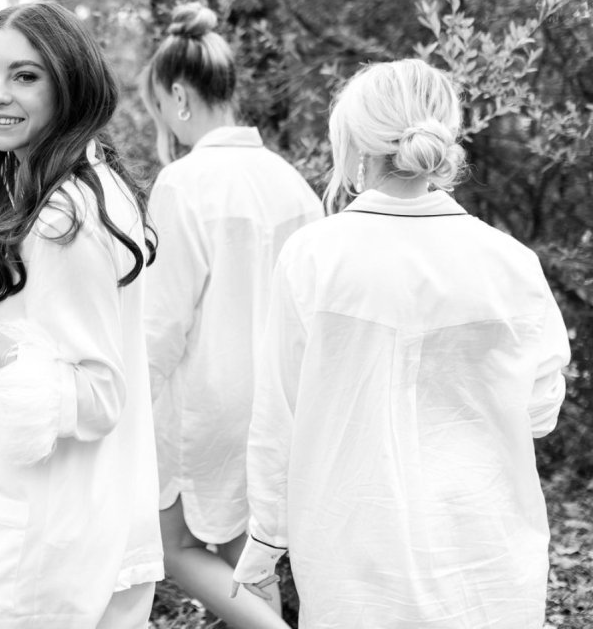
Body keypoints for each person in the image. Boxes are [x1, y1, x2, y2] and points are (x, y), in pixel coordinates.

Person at [232, 59, 570, 628]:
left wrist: (266, 543)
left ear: (356, 142)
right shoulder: (511, 263)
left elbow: (278, 419)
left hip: (356, 562)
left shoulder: (314, 258)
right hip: (488, 561)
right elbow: (540, 412)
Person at [0, 2, 165, 628]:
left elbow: (98, 394)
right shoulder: (82, 186)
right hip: (79, 516)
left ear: (69, 85)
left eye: (24, 76)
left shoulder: (65, 214)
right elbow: (56, 348)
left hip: (51, 542)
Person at [140, 3, 320, 629]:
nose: (163, 121)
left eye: (158, 106)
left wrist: (124, 406)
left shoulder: (183, 184)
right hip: (283, 405)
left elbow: (159, 327)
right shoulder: (292, 183)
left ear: (179, 95)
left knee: (175, 549)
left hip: (207, 410)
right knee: (249, 558)